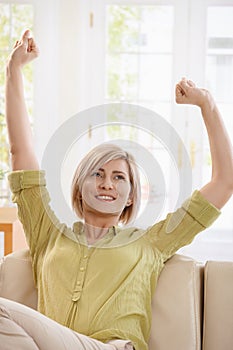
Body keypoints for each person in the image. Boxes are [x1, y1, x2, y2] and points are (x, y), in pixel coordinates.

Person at [0, 29, 233, 350]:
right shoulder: (48, 235)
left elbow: (224, 182)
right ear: (80, 187)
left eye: (119, 177)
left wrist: (207, 104)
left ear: (132, 196)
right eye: (97, 173)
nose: (108, 182)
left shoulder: (151, 242)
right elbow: (19, 153)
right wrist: (13, 70)